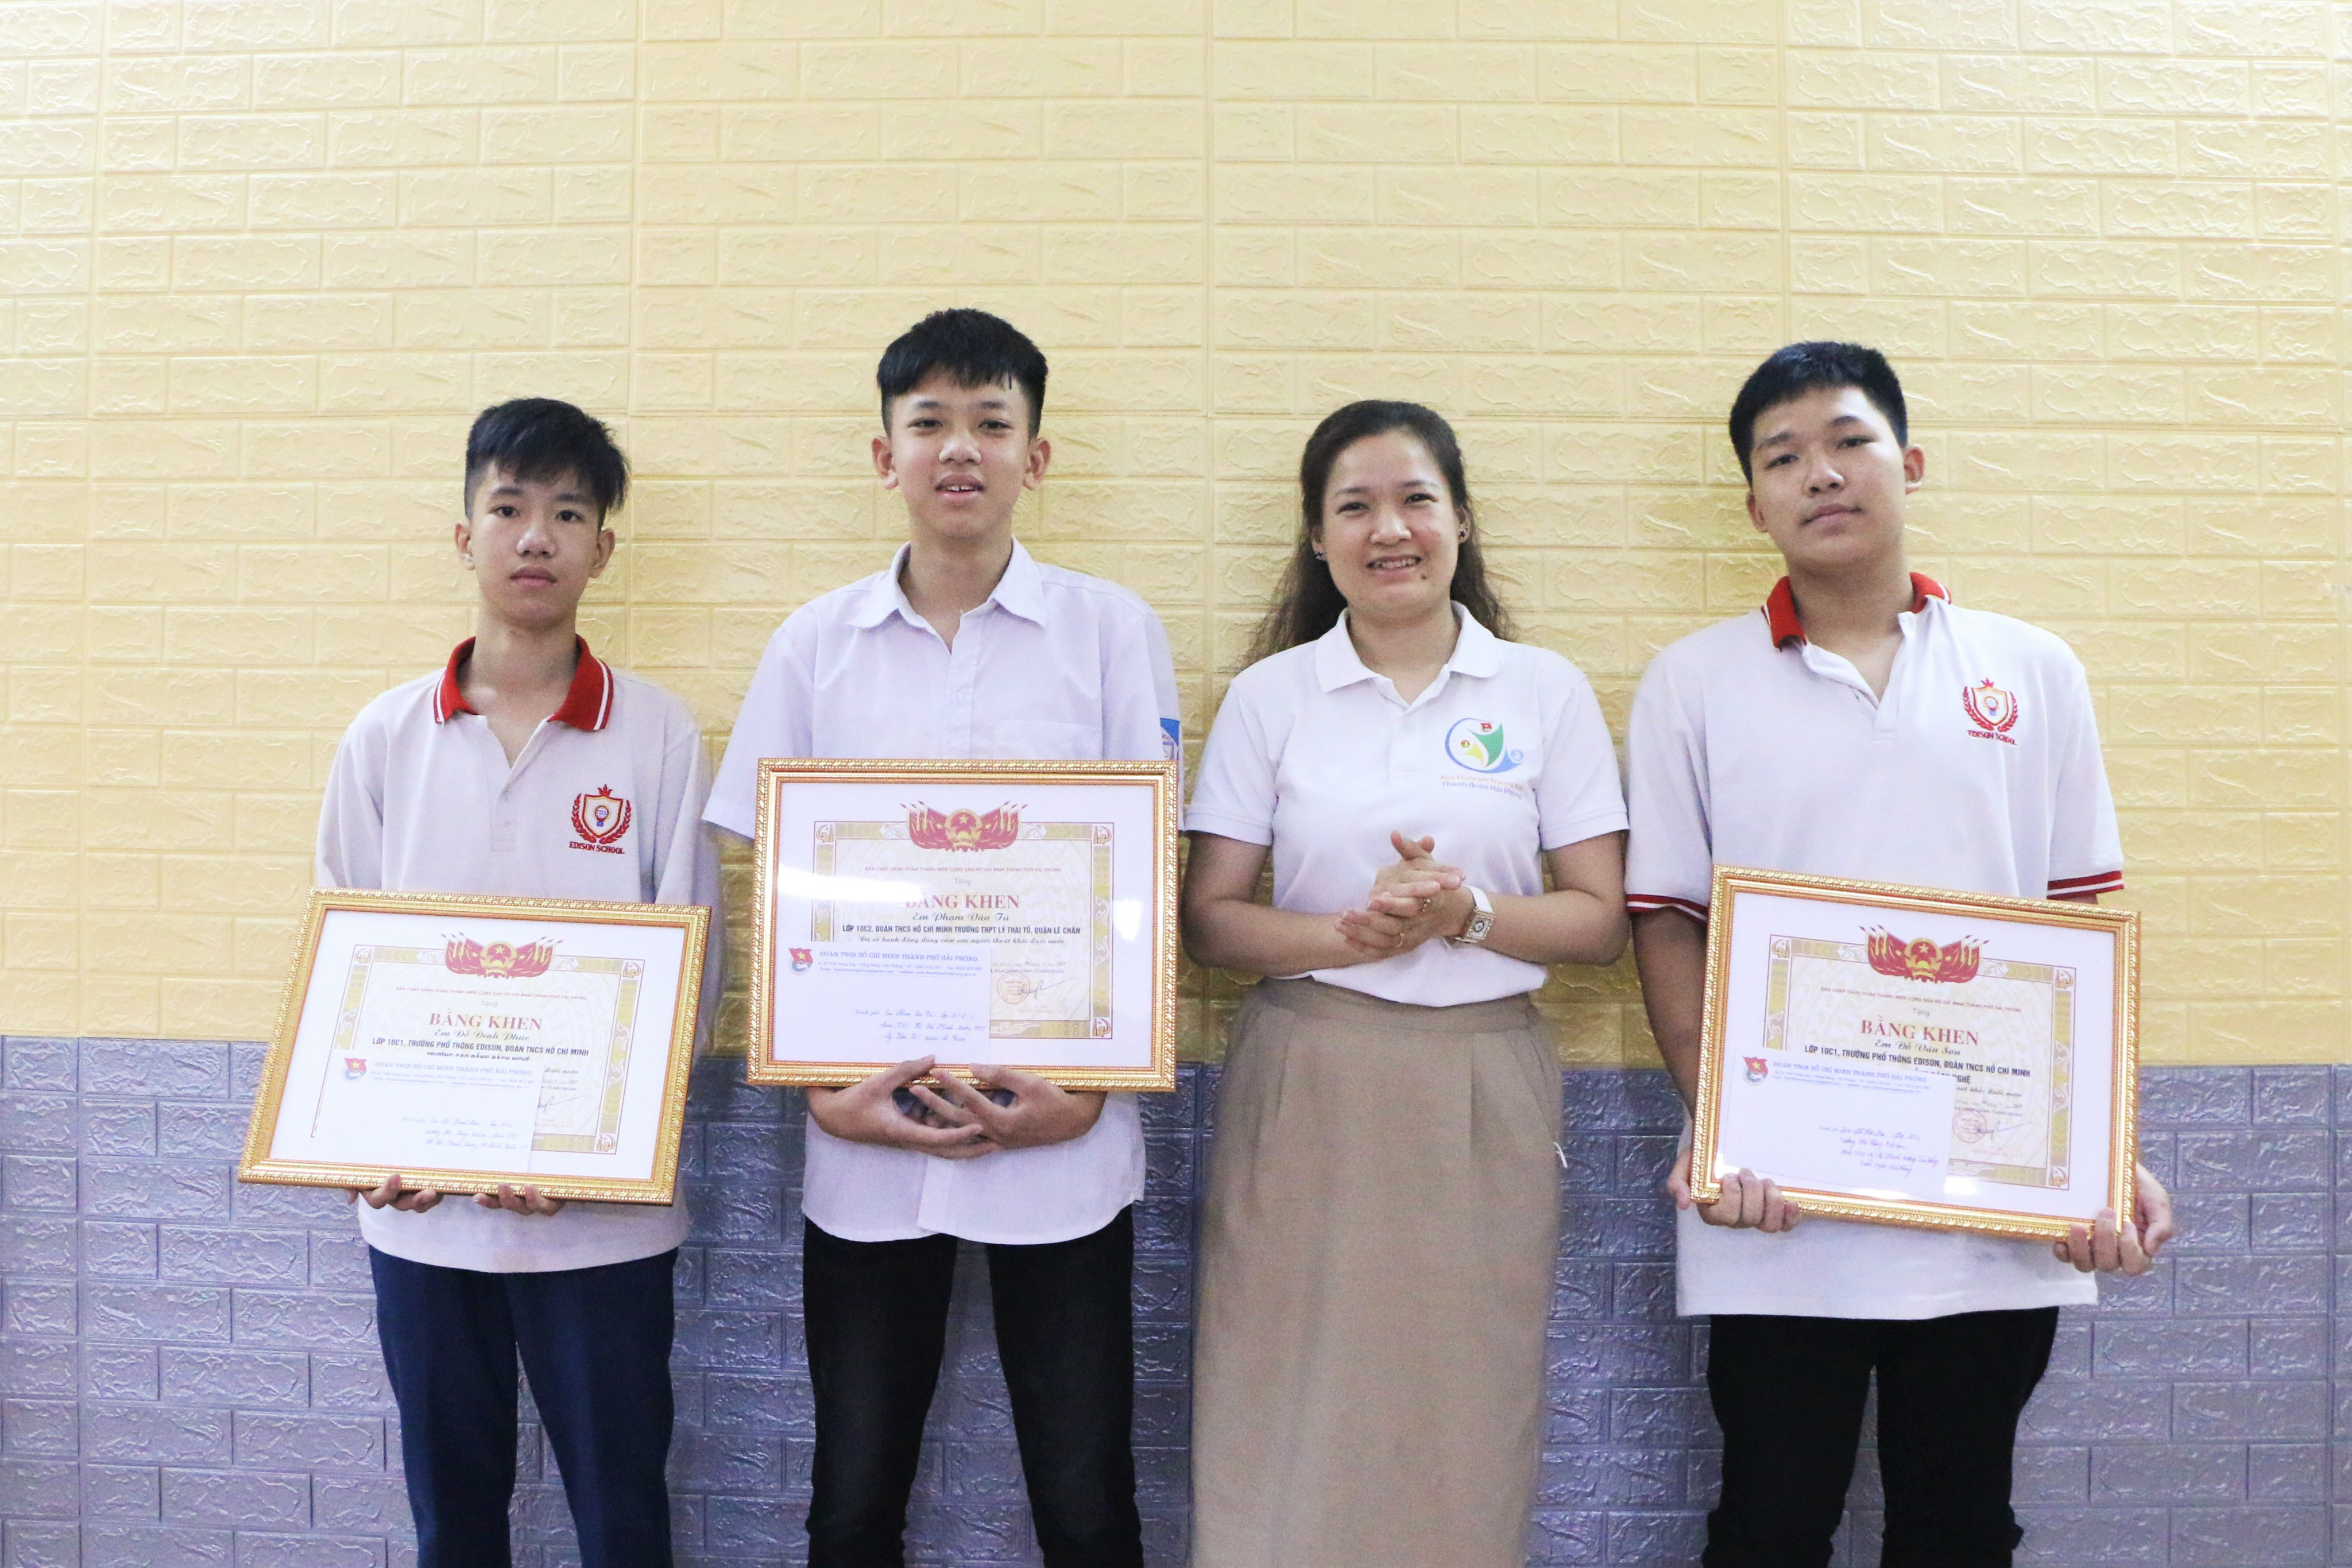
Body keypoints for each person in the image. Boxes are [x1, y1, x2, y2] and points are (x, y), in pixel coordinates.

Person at [1626, 341, 2177, 1567]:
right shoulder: (1690, 683)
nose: (1819, 474)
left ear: (1908, 463)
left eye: (1846, 441)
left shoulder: (2030, 671)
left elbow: (2070, 923)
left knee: (1959, 1524)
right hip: (1774, 1204)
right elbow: (1663, 919)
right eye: (1782, 457)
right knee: (1769, 1523)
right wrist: (1723, 1126)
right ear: (1752, 502)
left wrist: (2099, 1151)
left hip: (1989, 1209)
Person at [704, 308, 1179, 1568]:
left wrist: (1083, 1094)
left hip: (1065, 1132)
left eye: (990, 422)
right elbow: (775, 883)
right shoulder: (814, 643)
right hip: (864, 1126)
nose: (957, 450)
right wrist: (822, 1093)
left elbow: (1144, 875)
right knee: (851, 1498)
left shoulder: (1109, 631)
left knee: (1087, 1504)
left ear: (1038, 454)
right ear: (883, 456)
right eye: (928, 424)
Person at [1180, 400, 1630, 1568]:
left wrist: (1465, 913)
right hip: (1306, 1070)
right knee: (1278, 1384)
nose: (1390, 528)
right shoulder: (1272, 696)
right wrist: (1348, 934)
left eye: (1415, 499)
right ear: (1317, 539)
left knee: (1464, 1400)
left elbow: (1598, 920)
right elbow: (1209, 918)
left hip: (1483, 1077)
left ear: (1461, 521)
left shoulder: (1540, 690)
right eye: (1354, 507)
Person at [318, 398, 721, 1567]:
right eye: (507, 508)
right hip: (421, 1218)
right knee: (455, 1523)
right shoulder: (384, 737)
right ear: (463, 536)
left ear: (604, 547)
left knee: (622, 1520)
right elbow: (342, 954)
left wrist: (596, 1147)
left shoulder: (653, 733)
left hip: (600, 1226)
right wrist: (359, 1140)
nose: (534, 536)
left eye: (565, 513)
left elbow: (689, 963)